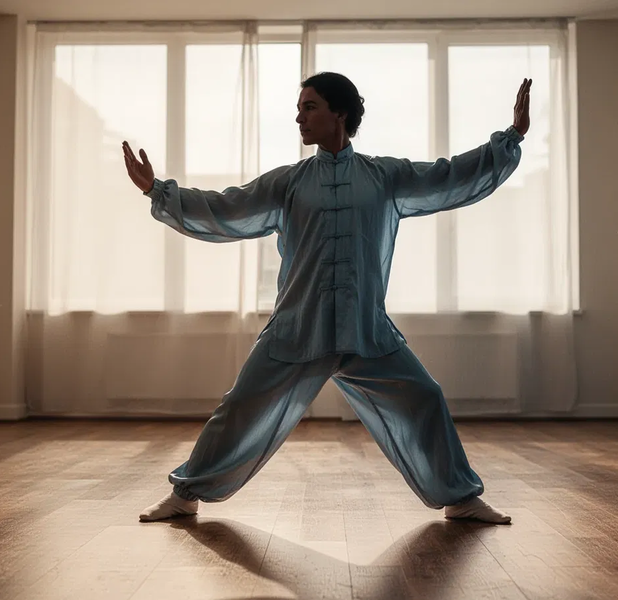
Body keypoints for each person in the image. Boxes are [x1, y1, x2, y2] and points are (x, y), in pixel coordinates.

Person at [123, 72, 532, 525]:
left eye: (310, 107)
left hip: (367, 332)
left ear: (340, 113)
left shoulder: (385, 177)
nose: (299, 117)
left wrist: (510, 139)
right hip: (297, 330)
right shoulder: (288, 183)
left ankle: (461, 499)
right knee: (238, 408)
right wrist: (156, 190)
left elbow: (449, 175)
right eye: (299, 108)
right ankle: (185, 496)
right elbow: (226, 207)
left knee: (425, 398)